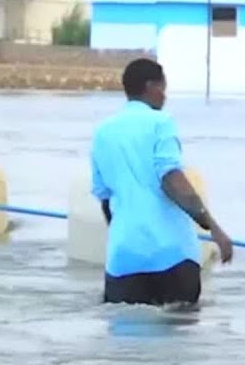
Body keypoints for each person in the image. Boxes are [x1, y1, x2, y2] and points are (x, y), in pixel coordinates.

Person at [90, 58, 233, 307]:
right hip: (171, 257)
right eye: (163, 88)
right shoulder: (160, 123)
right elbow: (171, 179)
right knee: (178, 338)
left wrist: (126, 238)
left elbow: (104, 198)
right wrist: (213, 227)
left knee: (125, 342)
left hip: (123, 260)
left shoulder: (102, 132)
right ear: (151, 87)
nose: (164, 96)